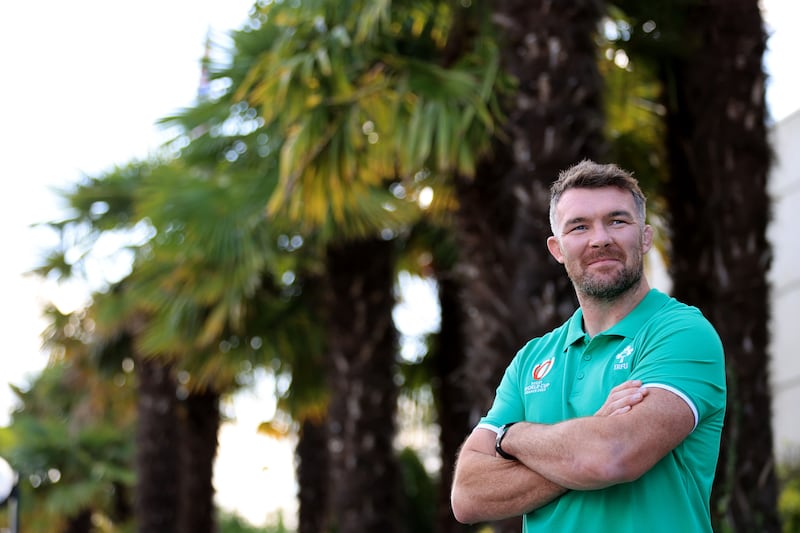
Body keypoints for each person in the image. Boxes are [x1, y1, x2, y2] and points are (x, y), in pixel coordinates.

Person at [450, 160, 726, 532]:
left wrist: (510, 436)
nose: (600, 239)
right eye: (579, 226)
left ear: (645, 237)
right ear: (557, 248)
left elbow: (614, 456)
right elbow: (467, 496)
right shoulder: (532, 359)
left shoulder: (681, 332)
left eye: (617, 221)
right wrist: (590, 438)